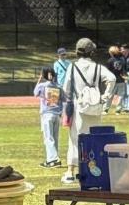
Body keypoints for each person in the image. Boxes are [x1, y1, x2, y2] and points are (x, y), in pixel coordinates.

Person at [61, 37, 115, 182]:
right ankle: (92, 170)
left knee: (75, 139)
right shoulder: (98, 67)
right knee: (93, 139)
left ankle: (70, 172)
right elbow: (112, 78)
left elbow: (66, 89)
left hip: (79, 106)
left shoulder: (72, 67)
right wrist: (105, 96)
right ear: (91, 52)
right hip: (95, 106)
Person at [34, 69, 62, 167]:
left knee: (48, 138)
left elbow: (35, 93)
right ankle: (54, 158)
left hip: (47, 114)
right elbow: (63, 99)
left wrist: (40, 79)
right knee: (55, 137)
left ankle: (52, 159)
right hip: (57, 114)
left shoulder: (42, 85)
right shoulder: (58, 86)